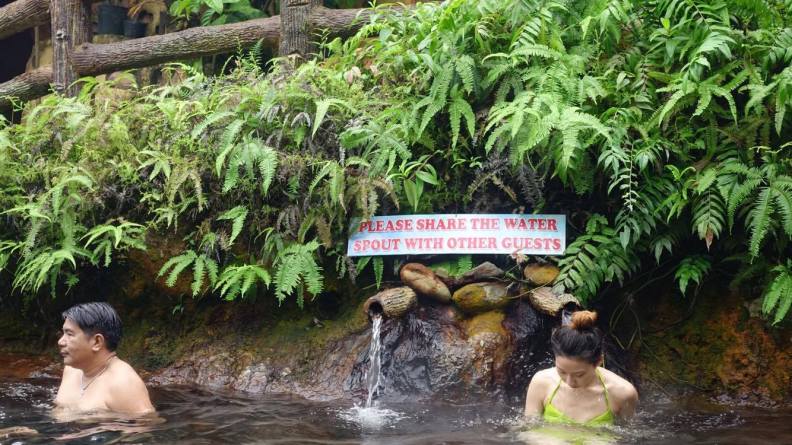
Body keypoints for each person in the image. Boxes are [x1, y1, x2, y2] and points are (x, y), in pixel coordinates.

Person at [524, 310, 638, 426]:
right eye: (561, 371)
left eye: (579, 375)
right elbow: (529, 430)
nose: (569, 382)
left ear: (598, 361)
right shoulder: (541, 383)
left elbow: (625, 435)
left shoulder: (623, 393)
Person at [54, 302, 154, 415]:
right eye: (63, 333)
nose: (60, 341)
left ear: (97, 342)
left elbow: (145, 428)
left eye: (69, 334)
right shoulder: (72, 370)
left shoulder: (123, 383)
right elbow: (58, 415)